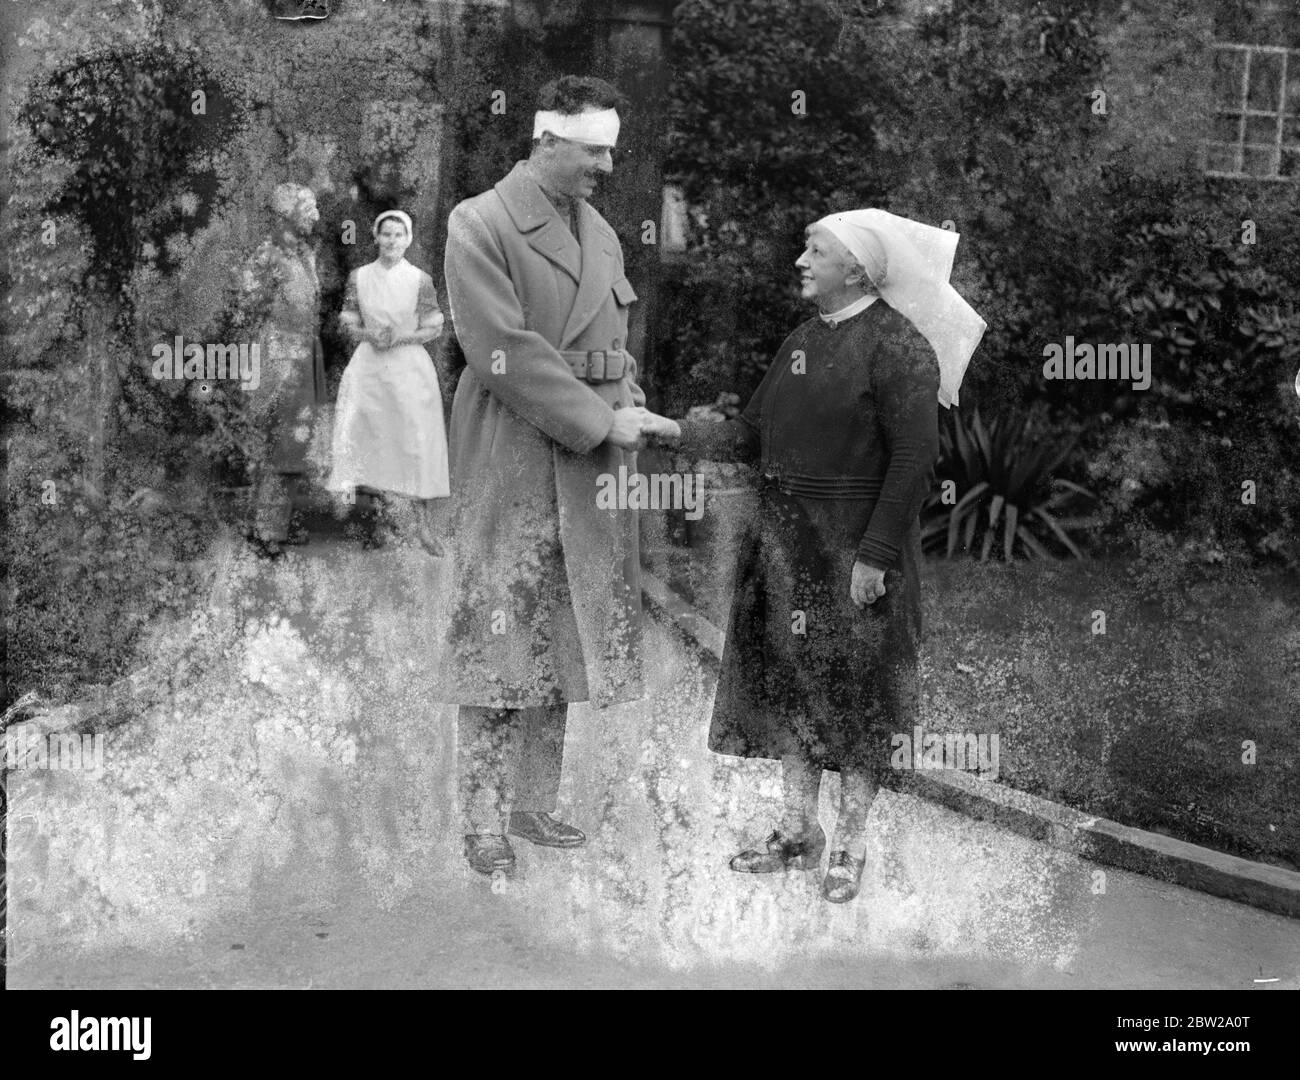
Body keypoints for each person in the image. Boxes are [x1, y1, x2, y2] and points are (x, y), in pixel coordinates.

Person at [644, 208, 986, 903]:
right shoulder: (802, 340)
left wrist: (876, 555)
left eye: (815, 249)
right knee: (792, 685)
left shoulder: (899, 347)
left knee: (858, 698)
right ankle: (798, 833)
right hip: (785, 546)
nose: (800, 260)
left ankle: (851, 846)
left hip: (855, 547)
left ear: (857, 268)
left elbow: (916, 460)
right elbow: (750, 436)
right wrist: (671, 429)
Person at [437, 76, 672, 877]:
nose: (606, 164)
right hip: (513, 446)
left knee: (564, 626)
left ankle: (532, 802)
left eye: (610, 148)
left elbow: (617, 341)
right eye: (592, 149)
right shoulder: (481, 222)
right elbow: (501, 351)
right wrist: (602, 419)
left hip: (593, 456)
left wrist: (628, 404)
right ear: (545, 142)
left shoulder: (601, 230)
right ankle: (480, 818)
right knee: (497, 630)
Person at [327, 210, 449, 553]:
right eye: (386, 235)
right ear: (376, 238)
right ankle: (375, 523)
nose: (392, 241)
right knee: (369, 436)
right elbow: (347, 318)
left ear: (408, 239)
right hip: (369, 367)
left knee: (413, 442)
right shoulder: (360, 277)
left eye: (398, 235)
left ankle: (422, 526)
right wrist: (368, 332)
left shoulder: (419, 279)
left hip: (408, 368)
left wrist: (402, 336)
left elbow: (434, 324)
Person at [237, 182, 329, 559]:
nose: (316, 216)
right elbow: (245, 303)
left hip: (305, 353)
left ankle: (277, 524)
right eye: (309, 209)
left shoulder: (305, 253)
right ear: (288, 214)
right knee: (277, 439)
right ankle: (264, 530)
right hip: (278, 355)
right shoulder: (267, 256)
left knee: (296, 441)